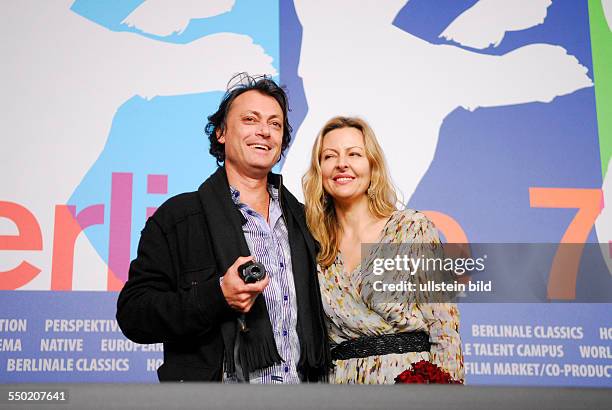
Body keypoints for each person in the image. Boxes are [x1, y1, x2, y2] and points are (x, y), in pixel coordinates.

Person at [117, 73, 330, 383]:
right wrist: (217, 296)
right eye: (250, 119)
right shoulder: (179, 218)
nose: (264, 131)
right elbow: (134, 314)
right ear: (220, 132)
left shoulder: (306, 220)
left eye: (275, 124)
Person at [302, 116, 464, 384]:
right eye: (330, 156)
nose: (342, 163)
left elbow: (444, 326)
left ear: (372, 165)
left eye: (354, 154)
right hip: (338, 388)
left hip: (408, 386)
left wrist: (449, 397)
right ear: (320, 169)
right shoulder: (313, 242)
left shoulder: (412, 228)